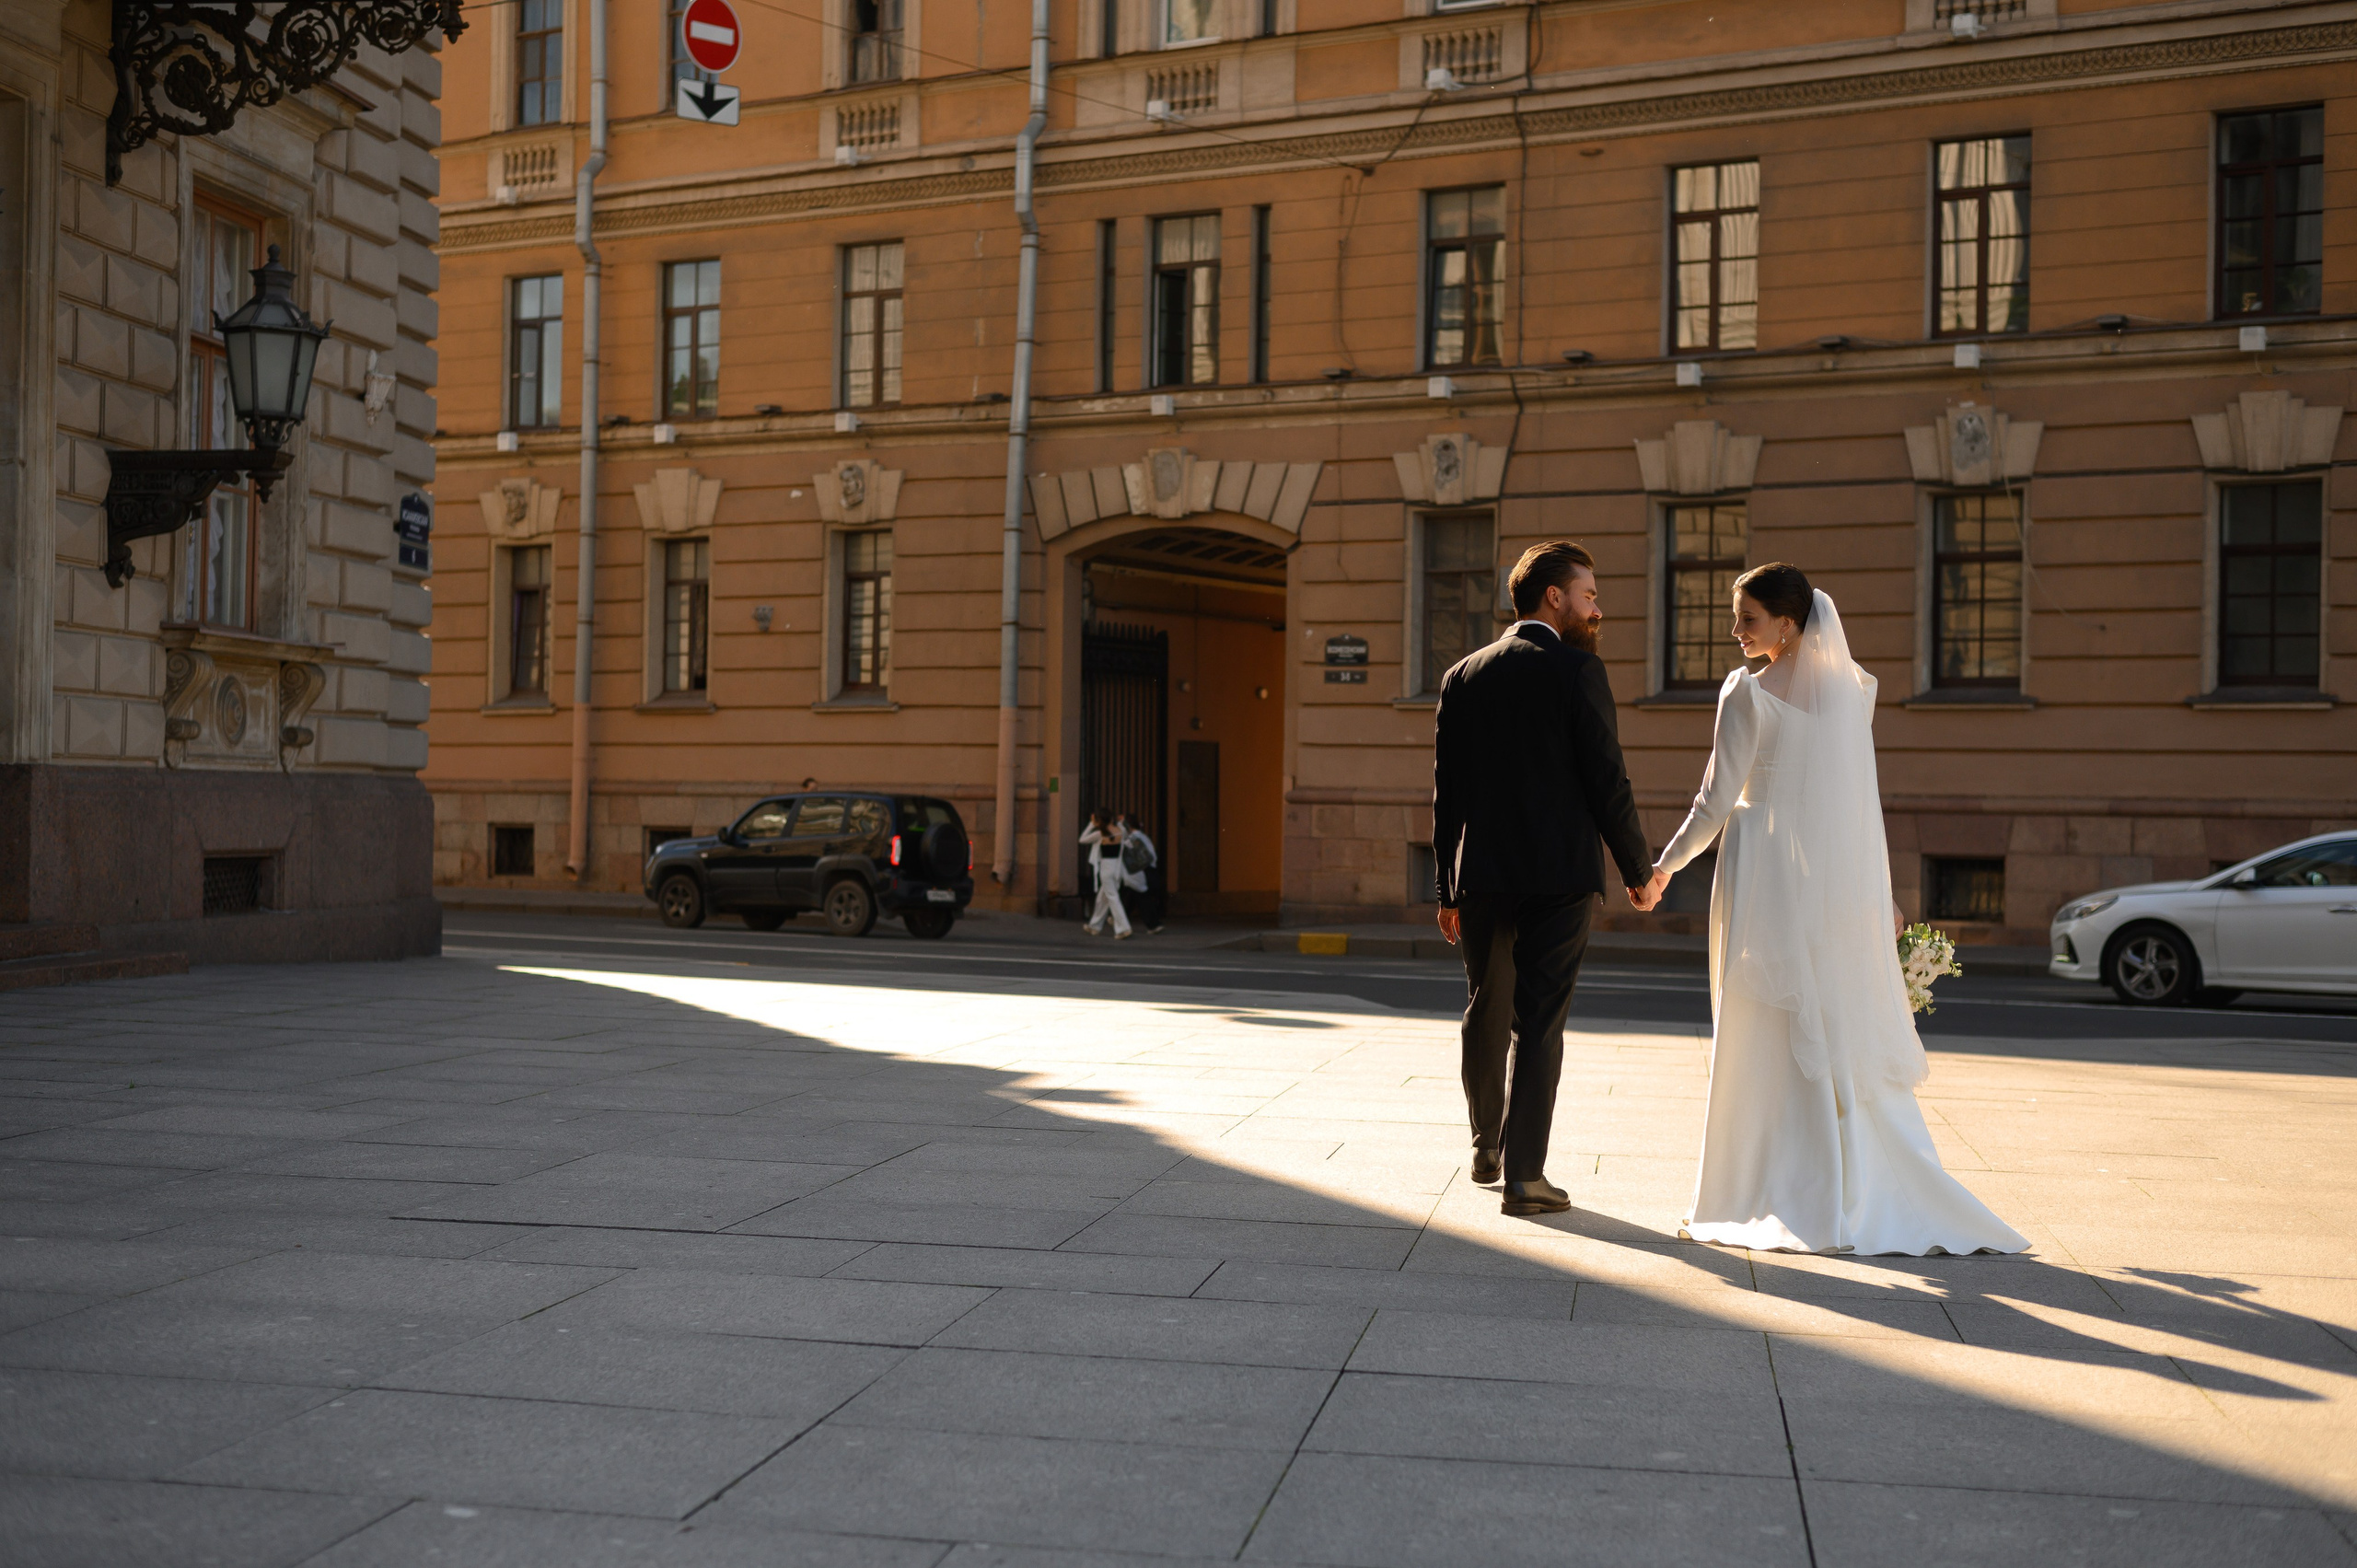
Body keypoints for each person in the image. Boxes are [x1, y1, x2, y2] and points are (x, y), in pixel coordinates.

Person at [1653, 563, 2026, 1256]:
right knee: (1822, 1012)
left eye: (1748, 619)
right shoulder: (1851, 693)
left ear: (1787, 622)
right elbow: (1856, 807)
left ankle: (1767, 1185)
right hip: (1825, 876)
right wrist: (1879, 895)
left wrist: (1663, 868)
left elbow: (1714, 800)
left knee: (1763, 1019)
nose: (1736, 631)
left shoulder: (1746, 692)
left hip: (1762, 867)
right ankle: (1852, 1175)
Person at [1432, 541, 1660, 1216]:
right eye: (1589, 595)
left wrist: (1447, 888)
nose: (1597, 609)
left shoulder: (1462, 675)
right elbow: (1607, 779)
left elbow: (1447, 795)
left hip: (1483, 874)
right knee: (1539, 1021)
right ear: (1554, 597)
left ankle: (1486, 1145)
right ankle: (1525, 1178)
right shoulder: (1578, 670)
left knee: (1486, 1004)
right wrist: (1638, 870)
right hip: (1560, 874)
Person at [1078, 810, 1132, 939]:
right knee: (1102, 898)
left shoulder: (1099, 834)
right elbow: (1128, 839)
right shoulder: (1120, 831)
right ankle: (1094, 926)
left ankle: (1123, 928)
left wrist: (1091, 825)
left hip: (1106, 869)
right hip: (1118, 868)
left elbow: (1082, 840)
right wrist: (1121, 823)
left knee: (1112, 898)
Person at [1116, 812, 1163, 935]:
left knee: (1139, 896)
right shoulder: (1141, 836)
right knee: (1132, 895)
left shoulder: (1133, 838)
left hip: (1141, 871)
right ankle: (1119, 918)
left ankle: (1153, 924)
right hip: (1146, 870)